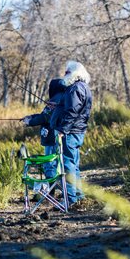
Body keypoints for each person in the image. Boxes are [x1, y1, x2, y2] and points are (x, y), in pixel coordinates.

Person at [50, 61, 92, 206]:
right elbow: (73, 108)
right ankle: (79, 196)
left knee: (67, 165)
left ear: (74, 73)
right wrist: (59, 105)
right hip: (76, 131)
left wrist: (62, 130)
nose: (64, 75)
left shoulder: (75, 88)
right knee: (73, 164)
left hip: (70, 132)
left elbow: (72, 112)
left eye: (67, 72)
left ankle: (70, 200)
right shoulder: (82, 87)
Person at [21, 78, 66, 179]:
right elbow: (44, 115)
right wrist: (31, 117)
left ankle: (51, 189)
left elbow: (45, 117)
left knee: (49, 164)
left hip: (51, 138)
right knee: (60, 163)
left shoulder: (56, 99)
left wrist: (30, 122)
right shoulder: (64, 98)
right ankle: (64, 190)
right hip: (59, 136)